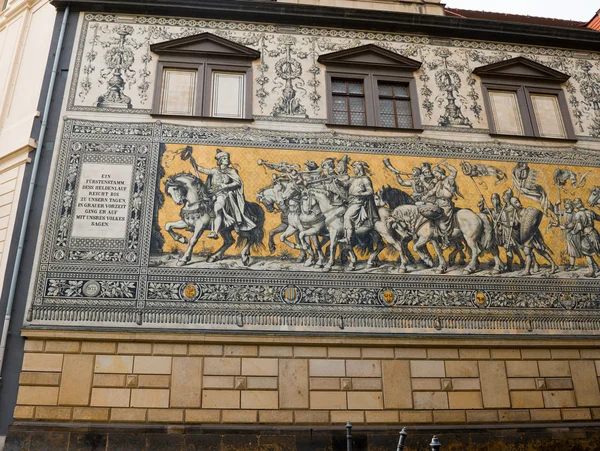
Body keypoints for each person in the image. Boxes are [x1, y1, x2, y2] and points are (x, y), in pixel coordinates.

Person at [195, 149, 255, 239]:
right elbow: (203, 170)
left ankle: (214, 232)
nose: (227, 160)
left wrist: (225, 186)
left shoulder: (231, 171)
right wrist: (193, 163)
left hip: (223, 194)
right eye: (224, 158)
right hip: (212, 194)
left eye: (227, 158)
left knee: (217, 209)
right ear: (220, 161)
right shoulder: (215, 171)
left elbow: (238, 182)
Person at [509, 197, 557, 275]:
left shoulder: (527, 211)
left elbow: (533, 221)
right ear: (513, 206)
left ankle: (552, 264)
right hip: (526, 236)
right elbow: (518, 226)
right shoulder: (516, 214)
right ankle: (528, 270)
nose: (518, 204)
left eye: (517, 201)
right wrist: (514, 224)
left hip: (533, 234)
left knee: (540, 251)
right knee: (529, 252)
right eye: (515, 203)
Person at [338, 161, 377, 244]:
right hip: (350, 201)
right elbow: (345, 185)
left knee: (347, 216)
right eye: (353, 168)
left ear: (359, 169)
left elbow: (370, 191)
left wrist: (361, 194)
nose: (354, 170)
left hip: (358, 202)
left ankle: (348, 238)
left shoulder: (365, 179)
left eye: (355, 168)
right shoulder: (353, 179)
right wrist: (338, 181)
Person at [424, 161, 458, 249]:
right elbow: (432, 191)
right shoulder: (439, 183)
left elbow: (454, 171)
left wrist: (446, 164)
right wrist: (425, 196)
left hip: (446, 204)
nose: (435, 176)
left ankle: (446, 240)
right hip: (438, 203)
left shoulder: (449, 180)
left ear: (440, 172)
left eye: (435, 174)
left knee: (443, 221)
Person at [571, 198, 600, 277]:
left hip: (586, 236)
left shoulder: (578, 214)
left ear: (576, 206)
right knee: (598, 251)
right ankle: (596, 267)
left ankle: (591, 272)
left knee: (588, 254)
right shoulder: (590, 212)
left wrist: (574, 232)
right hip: (595, 233)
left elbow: (579, 227)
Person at [554, 199, 581, 271]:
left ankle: (572, 266)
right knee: (570, 249)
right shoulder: (564, 212)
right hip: (568, 233)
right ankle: (571, 265)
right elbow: (556, 212)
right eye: (565, 203)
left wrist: (565, 227)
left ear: (570, 205)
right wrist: (556, 205)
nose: (565, 205)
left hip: (573, 233)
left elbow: (573, 224)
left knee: (572, 250)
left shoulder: (574, 214)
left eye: (567, 203)